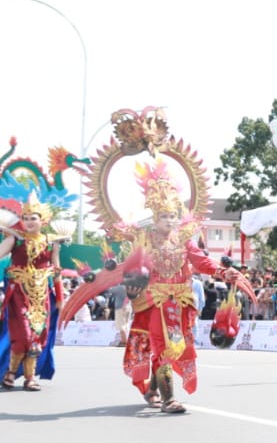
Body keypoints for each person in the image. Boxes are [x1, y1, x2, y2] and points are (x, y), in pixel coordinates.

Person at [61, 163, 253, 412]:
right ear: (155, 218)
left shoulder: (184, 241)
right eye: (164, 216)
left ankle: (153, 389)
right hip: (153, 303)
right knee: (164, 345)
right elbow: (130, 260)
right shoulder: (144, 239)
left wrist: (222, 272)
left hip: (179, 304)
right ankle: (169, 398)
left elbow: (201, 261)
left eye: (173, 215)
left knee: (175, 347)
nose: (170, 220)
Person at [0, 195, 61, 390]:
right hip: (18, 294)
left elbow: (57, 271)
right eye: (25, 218)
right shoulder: (14, 240)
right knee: (24, 335)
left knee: (38, 335)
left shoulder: (52, 243)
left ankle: (29, 377)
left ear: (42, 221)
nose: (28, 222)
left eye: (33, 218)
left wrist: (60, 298)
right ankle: (10, 371)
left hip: (42, 295)